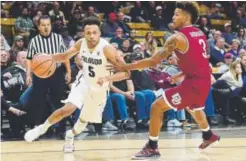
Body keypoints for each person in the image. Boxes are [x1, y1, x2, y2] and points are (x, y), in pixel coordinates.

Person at [107, 2, 220, 159]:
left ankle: (152, 147)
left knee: (156, 107)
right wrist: (181, 73)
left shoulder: (177, 38)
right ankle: (208, 135)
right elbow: (200, 60)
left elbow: (154, 61)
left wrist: (125, 66)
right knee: (192, 107)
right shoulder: (199, 33)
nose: (173, 17)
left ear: (186, 17)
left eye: (177, 14)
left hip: (193, 83)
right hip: (202, 80)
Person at [24, 16, 130, 153]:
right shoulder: (81, 43)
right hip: (84, 82)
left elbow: (127, 73)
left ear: (100, 33)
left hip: (99, 88)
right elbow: (64, 56)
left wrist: (107, 78)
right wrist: (49, 58)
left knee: (83, 121)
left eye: (94, 33)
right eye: (88, 33)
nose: (91, 36)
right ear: (83, 33)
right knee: (67, 108)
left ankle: (70, 135)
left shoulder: (107, 49)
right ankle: (41, 129)